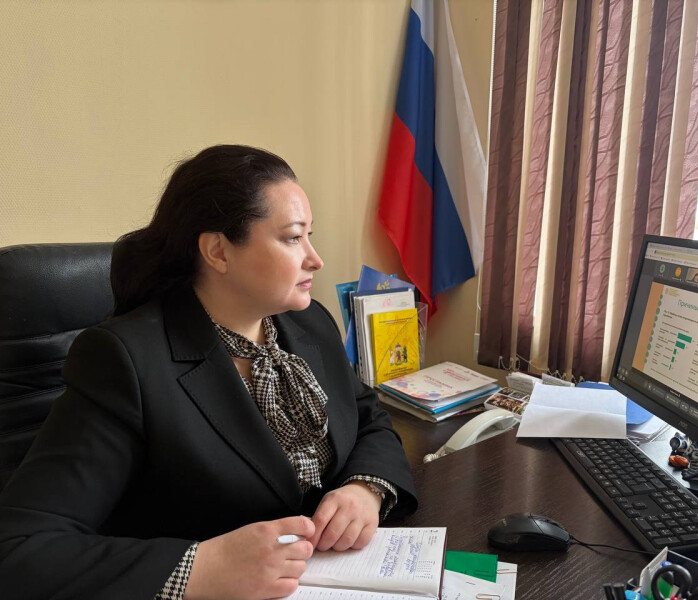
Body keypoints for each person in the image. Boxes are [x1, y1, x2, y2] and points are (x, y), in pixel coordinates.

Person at [0, 145, 417, 599]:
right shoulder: (123, 361)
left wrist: (365, 488)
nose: (315, 259)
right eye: (293, 238)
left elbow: (368, 416)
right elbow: (20, 549)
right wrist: (200, 568)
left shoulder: (308, 321)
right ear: (218, 251)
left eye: (308, 236)